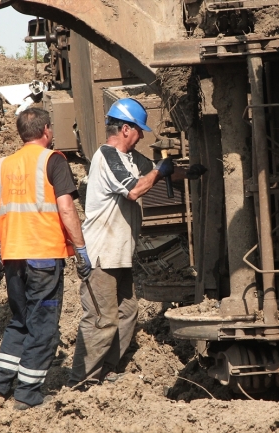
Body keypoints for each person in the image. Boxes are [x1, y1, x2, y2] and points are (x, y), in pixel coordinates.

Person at [68, 98, 204, 388]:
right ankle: (81, 381)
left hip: (121, 254)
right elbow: (134, 190)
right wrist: (161, 172)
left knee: (127, 312)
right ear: (126, 129)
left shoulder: (131, 158)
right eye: (139, 130)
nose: (142, 136)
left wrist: (188, 172)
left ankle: (107, 369)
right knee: (101, 319)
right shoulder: (108, 157)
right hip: (102, 255)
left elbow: (156, 168)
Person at [0, 108, 91, 410]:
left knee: (20, 320)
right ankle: (28, 393)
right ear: (46, 131)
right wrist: (80, 250)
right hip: (44, 256)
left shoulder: (2, 165)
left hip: (13, 257)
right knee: (43, 326)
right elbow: (66, 209)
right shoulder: (53, 160)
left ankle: (0, 384)